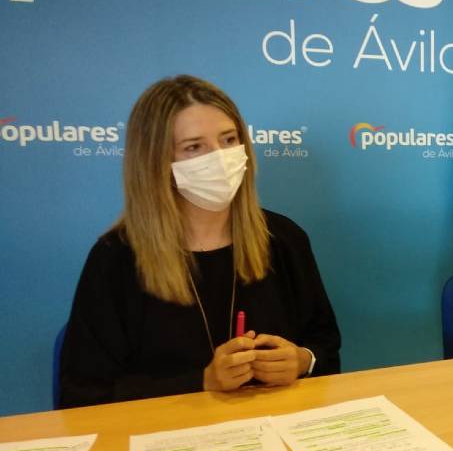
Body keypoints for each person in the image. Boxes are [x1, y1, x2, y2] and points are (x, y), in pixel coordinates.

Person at [59, 75, 341, 408]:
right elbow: (84, 394)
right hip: (164, 446)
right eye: (195, 147)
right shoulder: (115, 258)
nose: (220, 159)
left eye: (229, 139)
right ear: (156, 162)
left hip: (273, 428)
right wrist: (202, 383)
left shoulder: (283, 239)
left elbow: (325, 345)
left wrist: (301, 361)